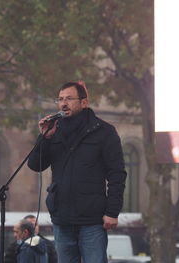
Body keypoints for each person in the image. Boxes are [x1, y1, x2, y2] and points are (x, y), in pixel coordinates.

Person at [27, 81, 127, 263]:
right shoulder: (54, 131)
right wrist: (45, 138)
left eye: (69, 99)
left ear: (84, 102)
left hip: (92, 219)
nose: (63, 103)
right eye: (60, 99)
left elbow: (117, 174)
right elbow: (35, 165)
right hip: (62, 218)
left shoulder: (103, 132)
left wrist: (113, 212)